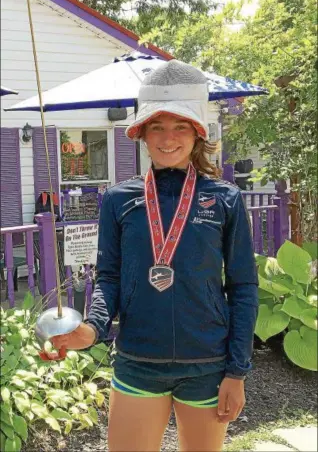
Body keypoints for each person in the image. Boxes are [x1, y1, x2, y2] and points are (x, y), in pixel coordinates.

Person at [51, 60, 259, 452]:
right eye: (157, 127)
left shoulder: (226, 199)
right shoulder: (118, 199)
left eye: (180, 126)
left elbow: (244, 287)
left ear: (198, 133)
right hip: (137, 361)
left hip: (207, 365)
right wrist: (93, 328)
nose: (168, 138)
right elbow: (109, 277)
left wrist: (237, 370)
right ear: (142, 134)